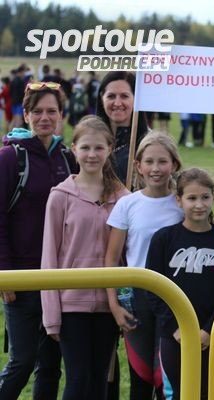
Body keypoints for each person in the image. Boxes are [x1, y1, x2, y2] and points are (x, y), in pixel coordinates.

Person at [41, 116, 128, 400]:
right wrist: (51, 315)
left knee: (99, 381)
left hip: (108, 306)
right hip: (70, 305)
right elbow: (49, 257)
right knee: (78, 380)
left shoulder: (123, 199)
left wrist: (123, 303)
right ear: (74, 149)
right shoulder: (60, 197)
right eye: (86, 147)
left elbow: (127, 255)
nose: (92, 154)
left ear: (110, 150)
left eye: (99, 148)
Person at [0, 81, 76, 399]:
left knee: (50, 366)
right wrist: (5, 274)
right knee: (22, 361)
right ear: (26, 114)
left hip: (59, 277)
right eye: (38, 111)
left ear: (61, 115)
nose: (45, 118)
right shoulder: (9, 157)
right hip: (21, 277)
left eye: (52, 111)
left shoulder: (68, 158)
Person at [146, 167, 214, 400]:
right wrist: (176, 328)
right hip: (173, 335)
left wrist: (209, 330)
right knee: (180, 392)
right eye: (192, 198)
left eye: (205, 197)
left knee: (208, 393)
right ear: (179, 200)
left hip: (212, 335)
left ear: (213, 198)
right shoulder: (164, 238)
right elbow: (153, 288)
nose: (199, 204)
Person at [105, 131, 184, 399]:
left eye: (162, 161)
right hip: (137, 300)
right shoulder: (127, 204)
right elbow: (112, 259)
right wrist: (114, 305)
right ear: (138, 165)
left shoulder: (183, 204)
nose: (155, 168)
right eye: (149, 162)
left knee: (166, 378)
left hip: (173, 298)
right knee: (141, 377)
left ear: (174, 164)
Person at [97, 71, 149, 184]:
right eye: (111, 96)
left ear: (136, 99)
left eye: (124, 96)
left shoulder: (149, 143)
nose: (117, 103)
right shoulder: (89, 140)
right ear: (101, 98)